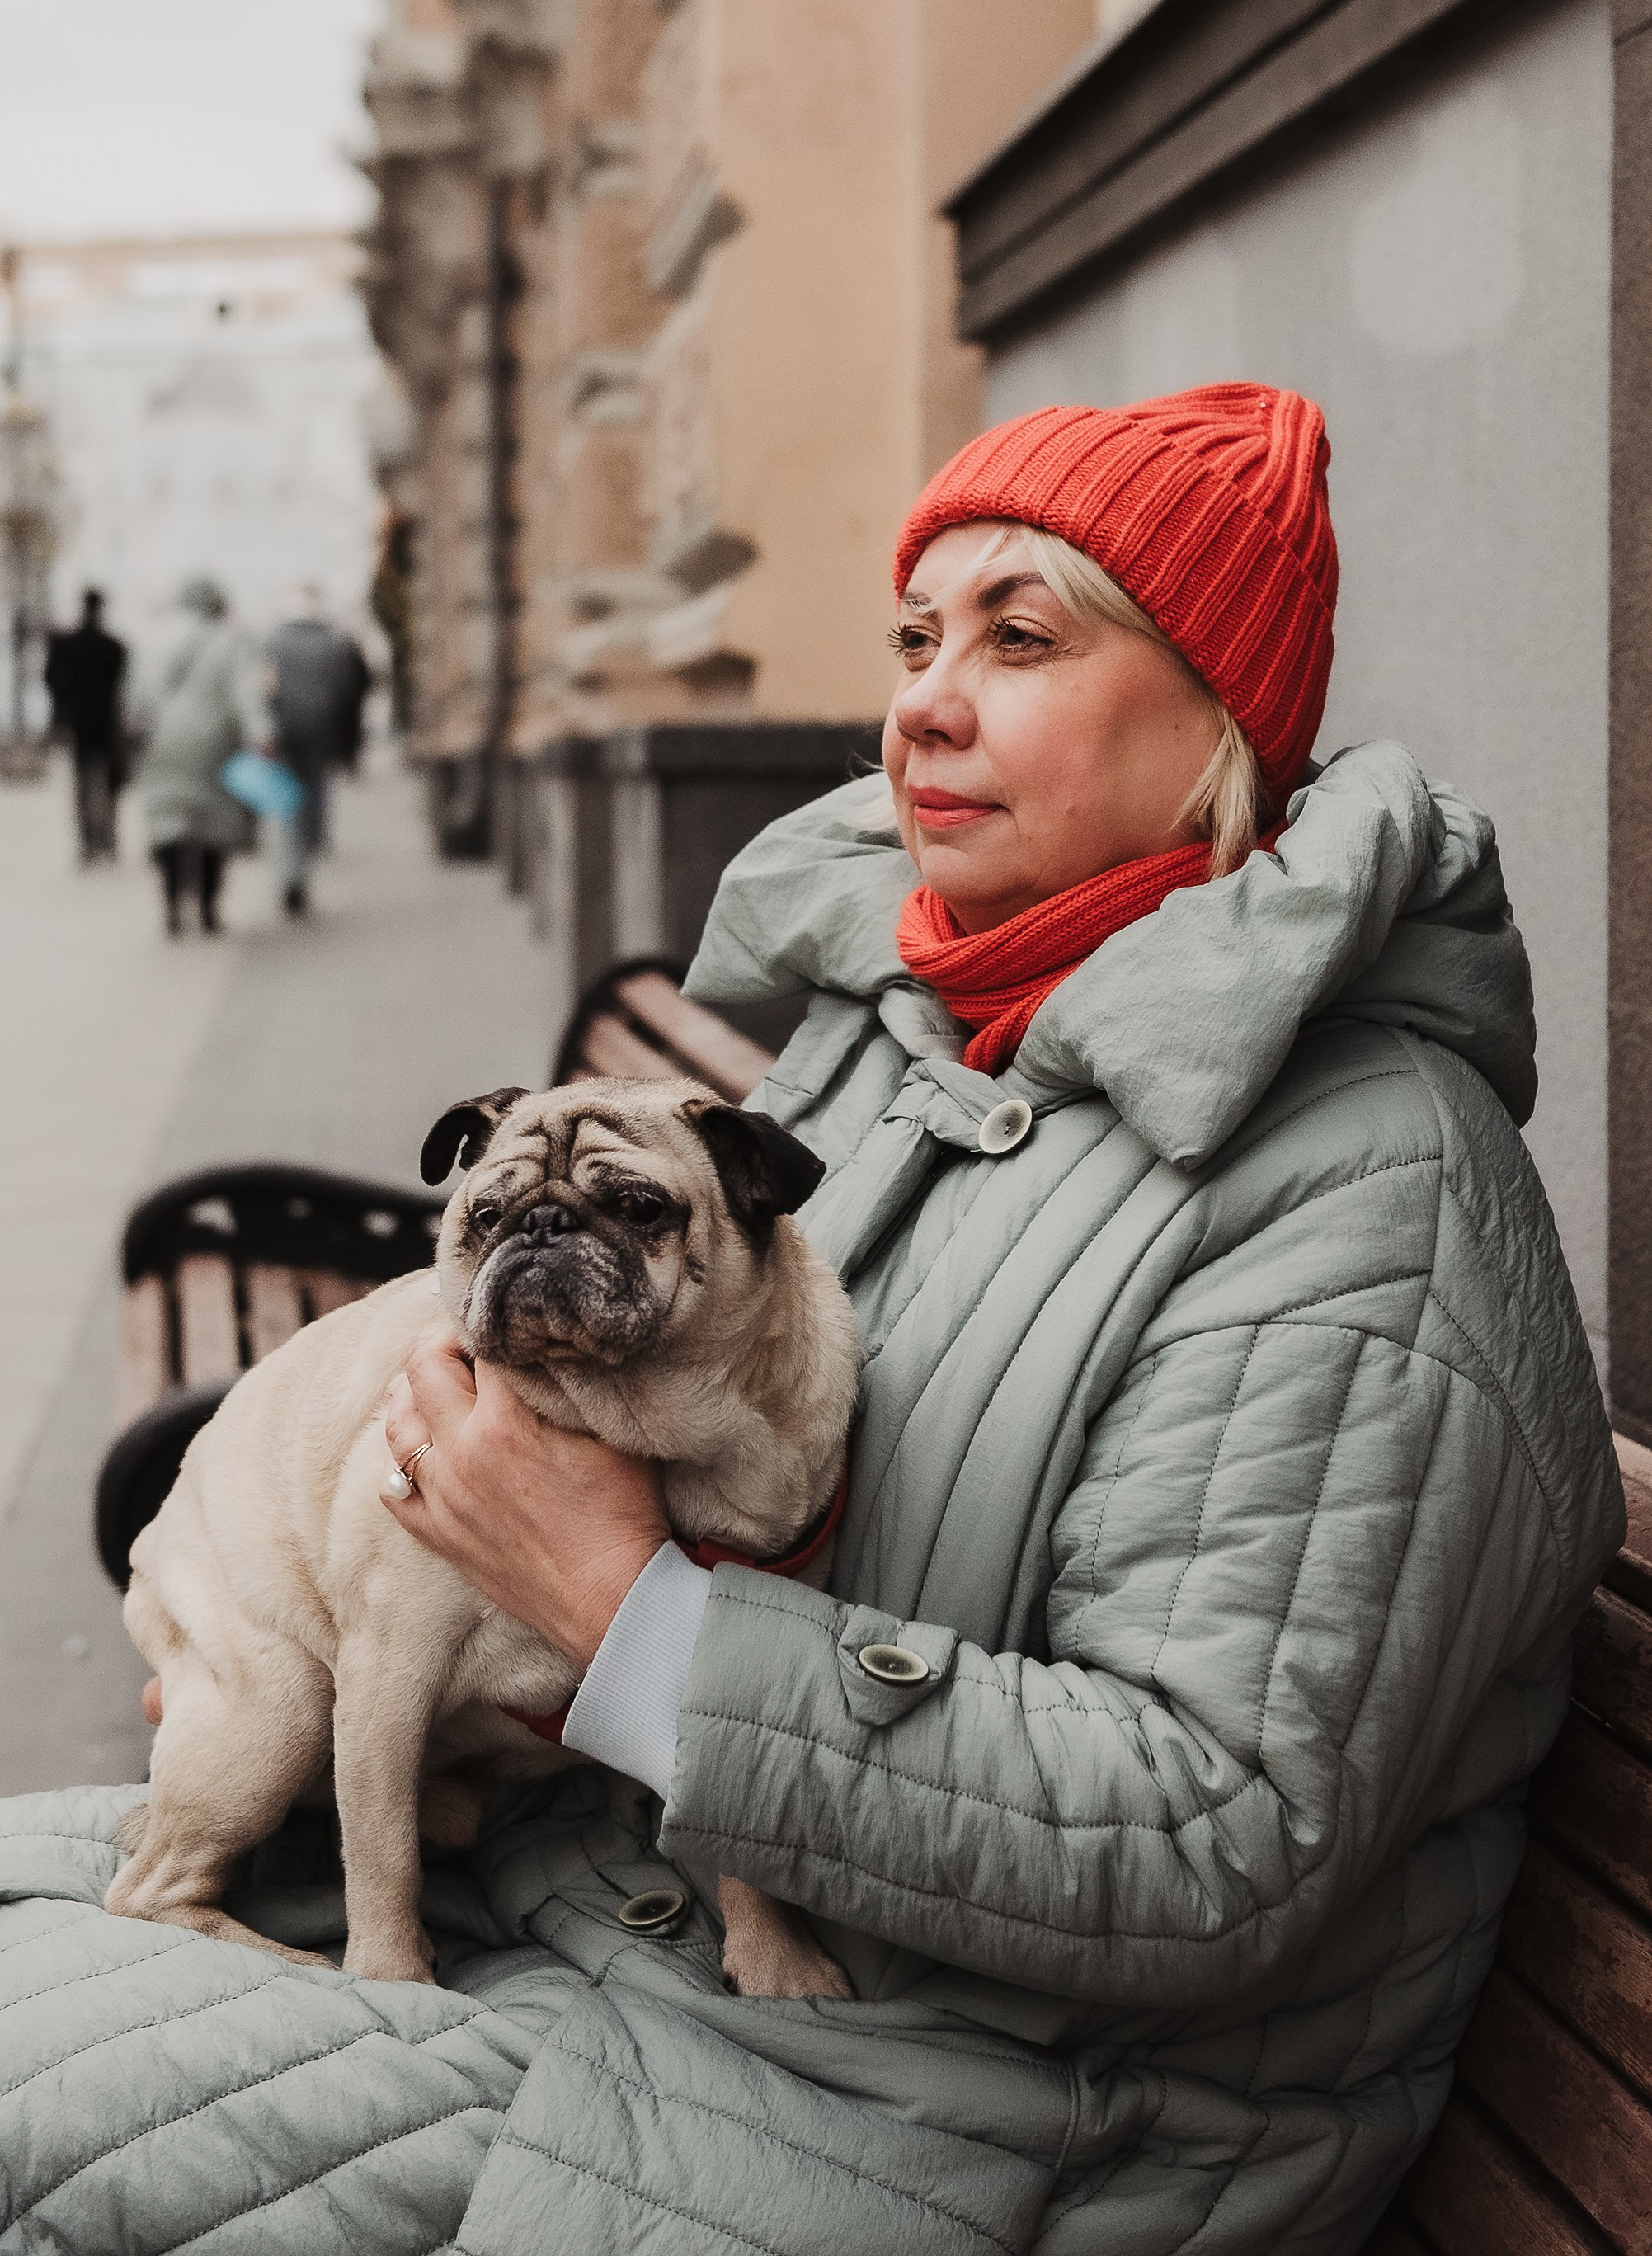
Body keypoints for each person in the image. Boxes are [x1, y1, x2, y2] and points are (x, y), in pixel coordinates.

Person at [0, 388, 1623, 2256]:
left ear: (1225, 718)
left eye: (1022, 636)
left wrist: (626, 1617)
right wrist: (371, 1624)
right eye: (916, 639)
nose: (926, 700)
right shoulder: (911, 1024)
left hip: (997, 2102)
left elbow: (1208, 1839)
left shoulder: (1364, 1198)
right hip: (644, 1906)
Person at [130, 574, 264, 935]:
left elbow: (135, 699)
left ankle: (172, 902)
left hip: (163, 744)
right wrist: (261, 733)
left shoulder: (155, 638)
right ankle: (207, 906)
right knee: (213, 825)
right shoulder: (231, 639)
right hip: (214, 743)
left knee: (169, 823)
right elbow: (244, 694)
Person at [266, 605, 373, 915]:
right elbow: (347, 688)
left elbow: (263, 685)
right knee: (316, 790)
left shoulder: (276, 641)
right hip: (321, 729)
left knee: (286, 803)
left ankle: (290, 871)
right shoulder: (332, 643)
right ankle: (314, 841)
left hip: (285, 731)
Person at [43, 586, 128, 861]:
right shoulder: (113, 646)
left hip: (78, 722)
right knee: (109, 783)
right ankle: (106, 838)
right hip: (106, 721)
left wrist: (63, 706)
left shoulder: (67, 644)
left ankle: (87, 842)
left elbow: (51, 678)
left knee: (82, 782)